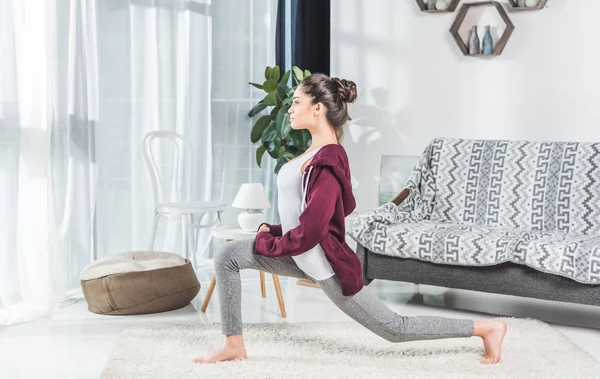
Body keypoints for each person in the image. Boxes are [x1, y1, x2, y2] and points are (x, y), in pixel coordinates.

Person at [194, 73, 507, 365]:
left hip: (323, 264)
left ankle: (485, 328)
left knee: (394, 329)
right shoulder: (312, 156)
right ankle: (234, 343)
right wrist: (275, 230)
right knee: (228, 255)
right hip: (302, 255)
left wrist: (266, 241)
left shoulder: (327, 161)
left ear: (317, 109)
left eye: (297, 102)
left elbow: (313, 230)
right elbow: (309, 216)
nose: (290, 109)